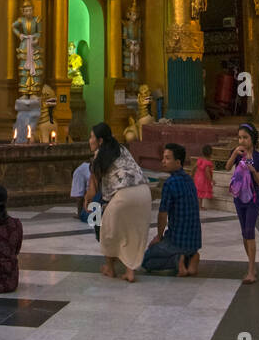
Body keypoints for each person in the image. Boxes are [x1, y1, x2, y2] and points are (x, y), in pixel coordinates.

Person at [84, 121, 151, 283]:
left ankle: (109, 267)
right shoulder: (121, 148)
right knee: (132, 231)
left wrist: (87, 201)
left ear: (100, 141)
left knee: (106, 229)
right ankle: (130, 271)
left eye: (92, 137)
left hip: (125, 195)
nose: (89, 140)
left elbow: (93, 188)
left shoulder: (99, 155)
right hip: (144, 192)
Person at [142, 144, 202, 276]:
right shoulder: (189, 180)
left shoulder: (170, 183)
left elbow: (163, 214)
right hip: (194, 241)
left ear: (178, 162)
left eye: (167, 158)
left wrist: (159, 236)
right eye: (163, 158)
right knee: (178, 249)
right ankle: (191, 257)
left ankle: (177, 260)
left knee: (147, 260)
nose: (163, 161)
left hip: (177, 240)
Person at [225, 123, 259, 284]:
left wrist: (252, 170)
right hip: (239, 197)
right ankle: (252, 265)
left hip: (253, 199)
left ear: (252, 139)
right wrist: (234, 153)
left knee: (250, 231)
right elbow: (228, 167)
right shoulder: (237, 153)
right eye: (240, 137)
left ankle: (251, 271)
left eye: (245, 137)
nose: (242, 141)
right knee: (244, 232)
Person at [193, 144, 214, 210]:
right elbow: (207, 172)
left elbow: (194, 167)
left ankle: (197, 205)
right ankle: (200, 206)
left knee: (198, 192)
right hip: (203, 179)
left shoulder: (200, 160)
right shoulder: (207, 163)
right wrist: (211, 180)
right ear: (211, 153)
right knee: (201, 193)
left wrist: (191, 174)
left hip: (197, 178)